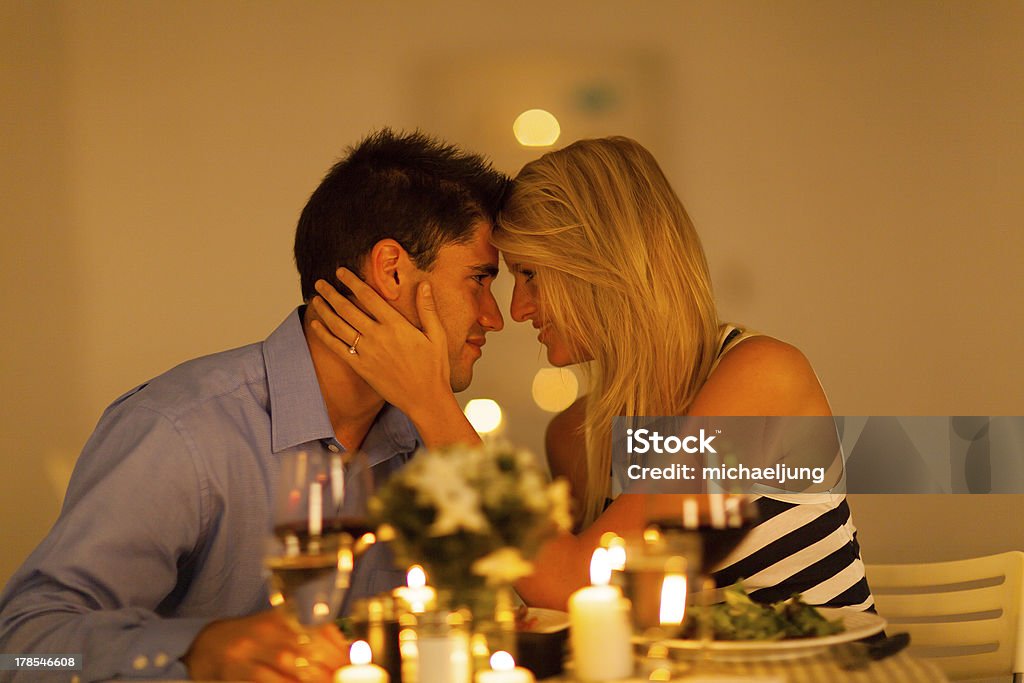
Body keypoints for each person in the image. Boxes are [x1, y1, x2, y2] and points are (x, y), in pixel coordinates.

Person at [0, 129, 507, 682]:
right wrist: (194, 650)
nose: (495, 316)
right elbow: (21, 650)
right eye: (479, 280)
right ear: (391, 271)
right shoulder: (183, 431)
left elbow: (510, 604)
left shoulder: (430, 435)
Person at [313, 136, 873, 613]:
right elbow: (602, 612)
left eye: (530, 274)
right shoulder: (576, 434)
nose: (517, 309)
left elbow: (574, 582)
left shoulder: (763, 376)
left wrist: (429, 401)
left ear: (603, 267)